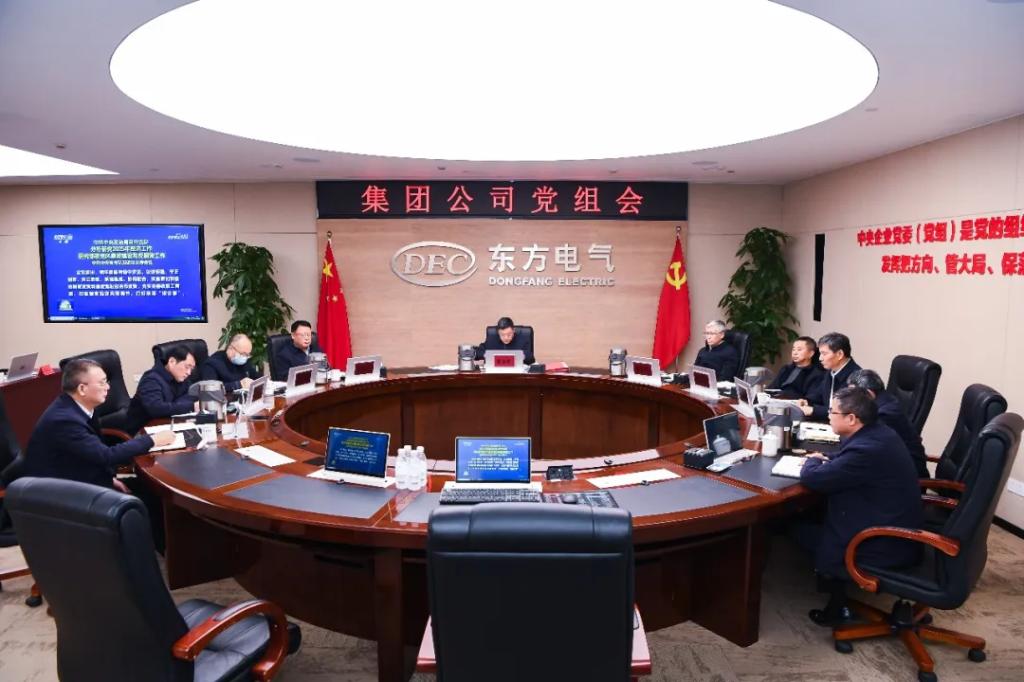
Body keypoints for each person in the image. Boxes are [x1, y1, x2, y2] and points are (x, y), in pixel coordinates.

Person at [795, 387, 923, 625]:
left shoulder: (866, 449)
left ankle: (837, 608)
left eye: (832, 412)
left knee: (797, 528)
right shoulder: (878, 433)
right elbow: (847, 457)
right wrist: (828, 459)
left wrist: (812, 461)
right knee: (819, 512)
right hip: (896, 522)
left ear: (851, 419)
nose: (828, 416)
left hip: (882, 541)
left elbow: (814, 479)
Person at [22, 359, 175, 489]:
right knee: (150, 491)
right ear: (82, 389)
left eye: (106, 381)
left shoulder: (80, 405)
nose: (108, 387)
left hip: (87, 473)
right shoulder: (65, 421)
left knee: (145, 481)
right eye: (102, 383)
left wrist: (110, 478)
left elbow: (94, 454)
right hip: (65, 490)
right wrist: (152, 440)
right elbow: (106, 455)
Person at [847, 368, 929, 478]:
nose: (852, 400)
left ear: (869, 393)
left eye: (854, 395)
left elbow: (863, 444)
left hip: (905, 475)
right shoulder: (884, 400)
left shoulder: (884, 414)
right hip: (891, 465)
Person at [125, 345, 196, 433]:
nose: (189, 372)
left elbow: (191, 395)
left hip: (167, 426)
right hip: (142, 432)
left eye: (191, 369)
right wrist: (190, 406)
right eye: (187, 367)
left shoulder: (180, 378)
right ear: (172, 362)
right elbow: (156, 409)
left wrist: (175, 405)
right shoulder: (151, 380)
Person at [800, 332, 861, 421]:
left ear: (840, 354)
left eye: (824, 354)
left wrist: (814, 410)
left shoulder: (856, 377)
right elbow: (819, 394)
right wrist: (807, 401)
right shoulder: (830, 372)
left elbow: (844, 411)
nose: (820, 358)